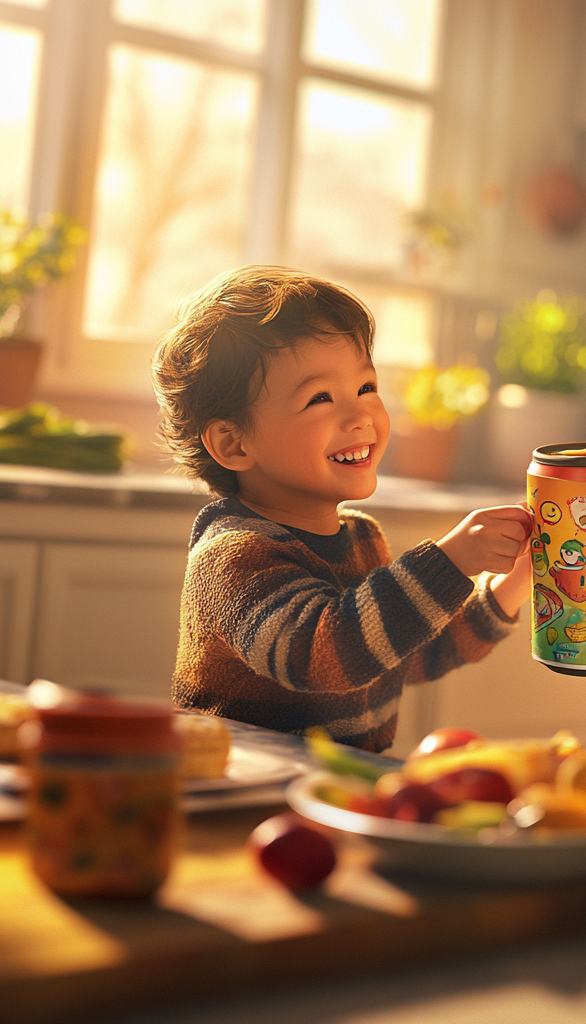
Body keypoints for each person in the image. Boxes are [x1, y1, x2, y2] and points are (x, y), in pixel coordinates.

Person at [152, 267, 532, 752]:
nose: (360, 416)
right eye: (320, 398)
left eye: (367, 388)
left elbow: (403, 652)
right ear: (233, 442)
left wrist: (513, 583)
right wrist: (450, 560)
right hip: (245, 793)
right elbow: (327, 654)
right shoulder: (232, 557)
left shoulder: (362, 537)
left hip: (334, 791)